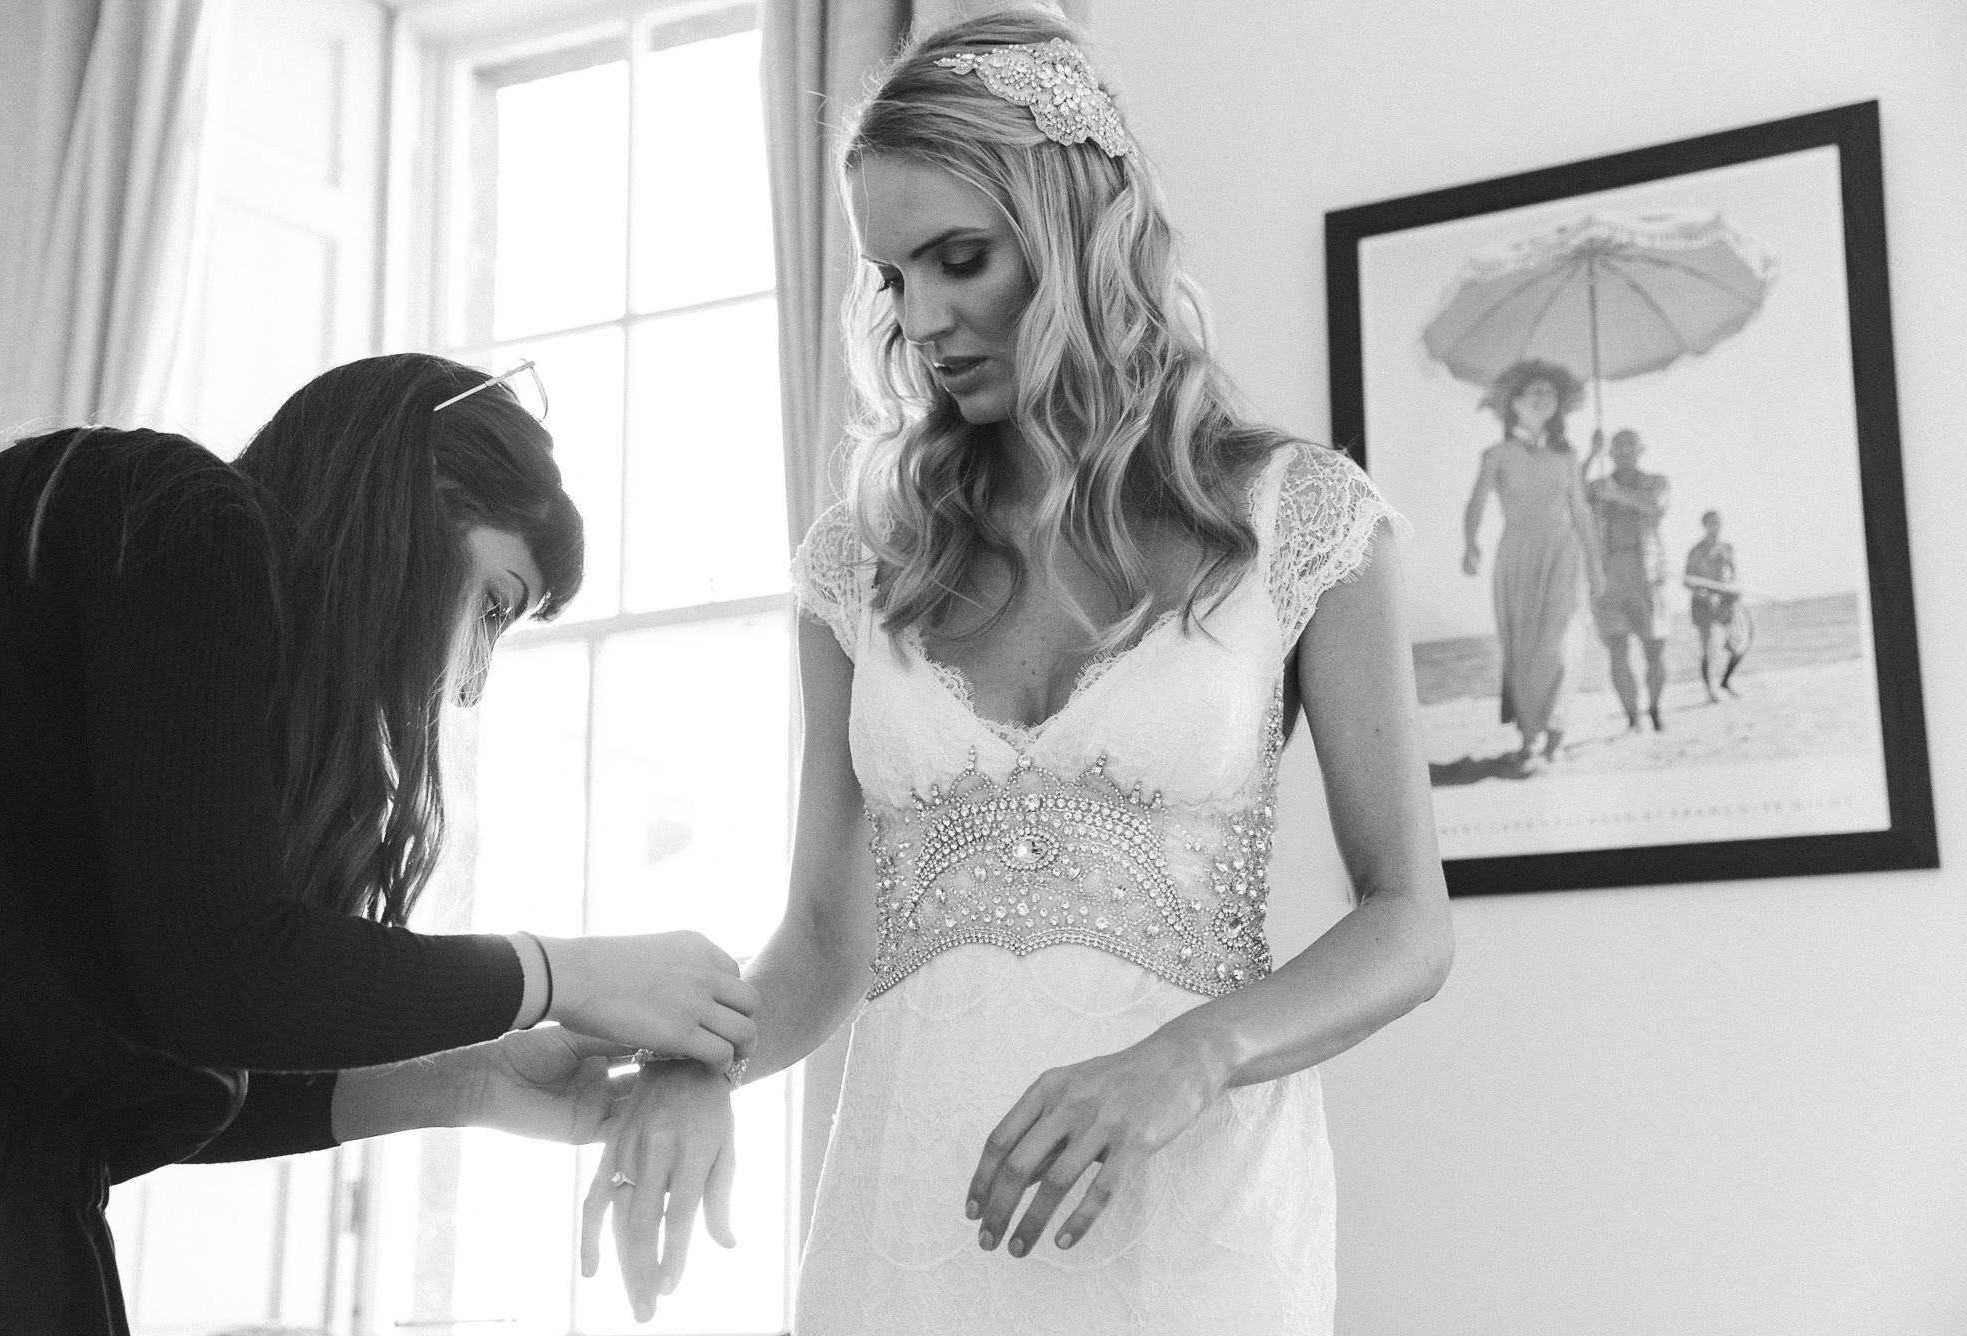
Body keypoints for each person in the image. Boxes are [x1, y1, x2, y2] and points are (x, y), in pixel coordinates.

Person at [580, 15, 1452, 1333]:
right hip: (913, 1203)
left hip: (1194, 1209)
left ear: (1074, 230)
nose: (923, 319)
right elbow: (822, 944)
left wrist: (1190, 1058)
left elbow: (1409, 920)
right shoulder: (857, 567)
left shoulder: (1299, 518)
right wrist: (698, 1064)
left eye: (960, 260)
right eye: (892, 278)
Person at [0, 352, 759, 1335]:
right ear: (425, 489)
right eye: (494, 605)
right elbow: (222, 982)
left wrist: (473, 1076)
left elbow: (143, 1080)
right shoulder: (186, 514)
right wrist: (562, 975)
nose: (469, 684)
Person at [1460, 358, 1603, 768]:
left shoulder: (1568, 456)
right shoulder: (1497, 454)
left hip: (1564, 554)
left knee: (1560, 646)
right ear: (1515, 404)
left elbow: (1582, 512)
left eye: (1551, 394)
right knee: (1522, 652)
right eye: (1536, 392)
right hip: (1517, 559)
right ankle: (1528, 738)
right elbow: (1476, 502)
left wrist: (1595, 565)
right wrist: (1469, 544)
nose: (1545, 399)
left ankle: (1555, 732)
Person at [1585, 428, 1671, 732]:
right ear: (1610, 453)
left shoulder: (1656, 481)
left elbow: (1655, 505)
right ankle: (1632, 717)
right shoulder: (1598, 485)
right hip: (1608, 574)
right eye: (1616, 446)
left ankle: (1655, 708)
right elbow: (1568, 495)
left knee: (1655, 649)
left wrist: (1617, 494)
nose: (1623, 451)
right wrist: (1590, 455)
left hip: (1647, 572)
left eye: (1629, 445)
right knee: (1617, 649)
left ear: (1640, 450)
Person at [1685, 508, 1744, 700]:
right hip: (1702, 602)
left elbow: (1733, 573)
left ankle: (1725, 681)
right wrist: (1702, 593)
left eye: (1718, 522)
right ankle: (1710, 690)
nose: (1716, 527)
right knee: (1709, 649)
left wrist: (1733, 590)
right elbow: (1687, 580)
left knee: (1738, 645)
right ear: (1705, 526)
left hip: (1724, 599)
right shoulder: (1696, 551)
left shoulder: (1727, 548)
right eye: (1712, 523)